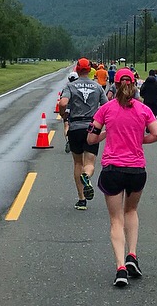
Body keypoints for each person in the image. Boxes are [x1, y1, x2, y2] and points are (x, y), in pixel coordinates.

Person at [87, 67, 157, 287]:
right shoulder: (143, 110)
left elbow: (91, 139)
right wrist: (139, 141)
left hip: (112, 168)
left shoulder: (106, 110)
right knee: (131, 210)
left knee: (116, 219)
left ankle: (120, 267)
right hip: (136, 169)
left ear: (116, 84)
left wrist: (106, 134)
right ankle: (132, 254)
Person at [59, 57, 108, 211]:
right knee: (90, 163)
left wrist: (63, 115)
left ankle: (81, 199)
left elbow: (63, 103)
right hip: (92, 126)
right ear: (89, 70)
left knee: (78, 163)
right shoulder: (98, 87)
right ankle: (87, 176)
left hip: (75, 127)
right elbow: (106, 106)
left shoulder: (71, 86)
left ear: (77, 70)